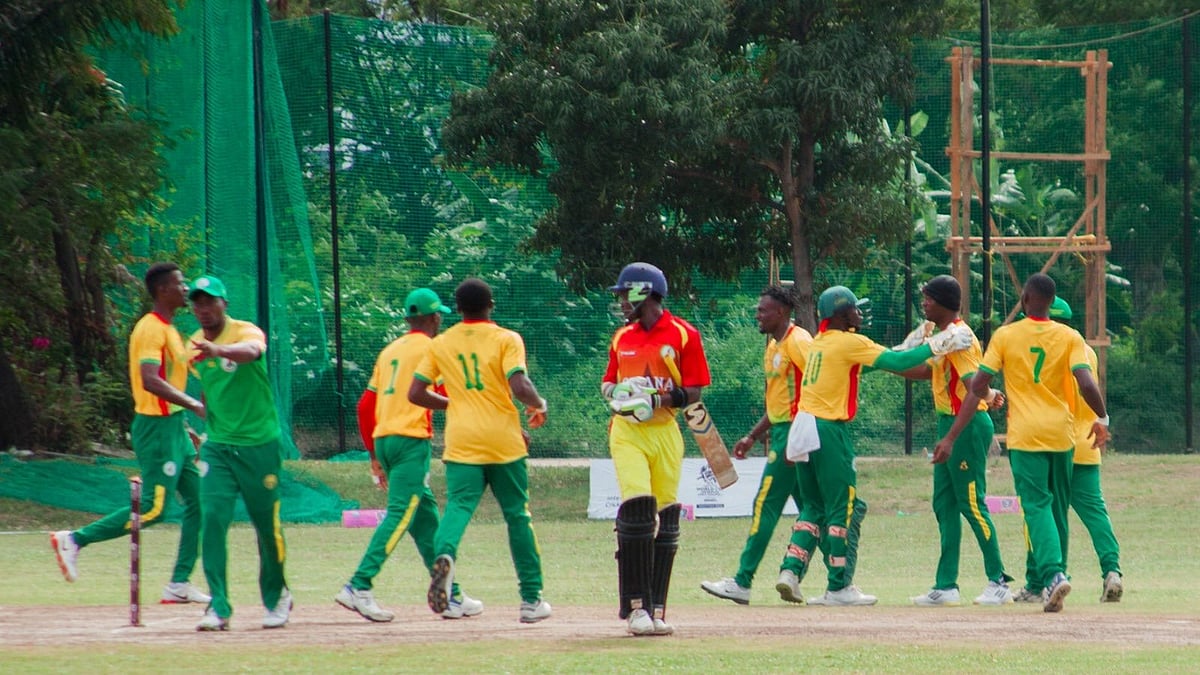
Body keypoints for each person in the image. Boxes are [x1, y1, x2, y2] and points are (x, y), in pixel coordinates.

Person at [790, 285, 974, 607]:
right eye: (855, 309)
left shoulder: (821, 341)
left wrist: (920, 341)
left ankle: (790, 570)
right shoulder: (850, 341)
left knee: (812, 506)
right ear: (842, 313)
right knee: (842, 507)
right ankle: (838, 587)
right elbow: (896, 361)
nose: (860, 314)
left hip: (802, 425)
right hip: (828, 429)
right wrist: (940, 342)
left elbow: (888, 356)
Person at [51, 262, 210, 605]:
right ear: (164, 290)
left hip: (172, 429)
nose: (186, 290)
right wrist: (194, 406)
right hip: (155, 431)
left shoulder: (171, 330)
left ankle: (179, 583)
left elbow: (169, 383)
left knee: (201, 502)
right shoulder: (150, 329)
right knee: (153, 509)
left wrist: (183, 423)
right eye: (180, 285)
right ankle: (75, 539)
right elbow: (151, 380)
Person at [408, 278, 552, 624]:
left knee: (457, 509)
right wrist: (539, 403)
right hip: (503, 441)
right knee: (518, 516)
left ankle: (443, 558)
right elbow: (519, 384)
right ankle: (531, 601)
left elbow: (416, 393)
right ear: (491, 306)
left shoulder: (441, 343)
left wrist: (455, 404)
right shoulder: (506, 339)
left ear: (457, 310)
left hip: (462, 442)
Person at [335, 288, 483, 622]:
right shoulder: (436, 347)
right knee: (401, 514)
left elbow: (364, 405)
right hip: (410, 441)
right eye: (439, 315)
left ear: (408, 319)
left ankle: (452, 595)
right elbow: (449, 391)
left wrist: (373, 454)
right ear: (434, 318)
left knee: (425, 518)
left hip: (385, 440)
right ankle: (359, 585)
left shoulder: (390, 350)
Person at [971, 273, 1109, 613]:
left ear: (1025, 298)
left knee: (1036, 505)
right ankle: (1055, 580)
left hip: (1026, 434)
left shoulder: (1006, 335)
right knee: (1057, 507)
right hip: (1061, 435)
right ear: (1051, 300)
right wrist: (1103, 419)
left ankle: (1052, 575)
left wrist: (990, 394)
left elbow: (977, 384)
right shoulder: (1070, 336)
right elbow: (1087, 384)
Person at [700, 285, 825, 605]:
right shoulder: (773, 347)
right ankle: (833, 580)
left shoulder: (799, 341)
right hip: (784, 431)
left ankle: (742, 581)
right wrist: (753, 435)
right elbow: (777, 403)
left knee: (765, 504)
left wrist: (795, 440)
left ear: (781, 313)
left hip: (795, 435)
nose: (758, 315)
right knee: (813, 509)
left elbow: (817, 386)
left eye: (763, 310)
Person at [603, 262, 710, 636]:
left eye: (624, 294)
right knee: (637, 509)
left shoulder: (684, 335)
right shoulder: (622, 337)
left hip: (665, 433)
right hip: (628, 432)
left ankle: (657, 607)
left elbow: (694, 391)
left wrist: (659, 399)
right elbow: (608, 382)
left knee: (666, 516)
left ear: (643, 292)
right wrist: (618, 395)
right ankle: (635, 609)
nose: (621, 302)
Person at [897, 275, 1014, 607]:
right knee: (944, 504)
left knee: (972, 503)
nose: (923, 304)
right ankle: (946, 585)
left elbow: (974, 389)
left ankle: (999, 581)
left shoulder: (961, 339)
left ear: (944, 303)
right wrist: (887, 366)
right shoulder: (941, 335)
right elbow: (929, 372)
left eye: (928, 299)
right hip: (949, 423)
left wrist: (949, 438)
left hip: (966, 426)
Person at [188, 275, 292, 631]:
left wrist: (219, 350)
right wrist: (204, 426)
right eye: (197, 303)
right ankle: (218, 606)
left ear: (224, 304)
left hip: (259, 445)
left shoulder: (247, 331)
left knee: (266, 526)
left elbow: (251, 353)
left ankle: (277, 596)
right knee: (213, 520)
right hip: (218, 447)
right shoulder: (193, 346)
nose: (203, 309)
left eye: (210, 301)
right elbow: (209, 388)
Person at [1011, 296, 1123, 604]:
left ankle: (1039, 582)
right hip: (1087, 445)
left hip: (1053, 443)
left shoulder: (1046, 348)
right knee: (1095, 513)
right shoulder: (1082, 348)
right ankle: (1111, 570)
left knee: (1039, 511)